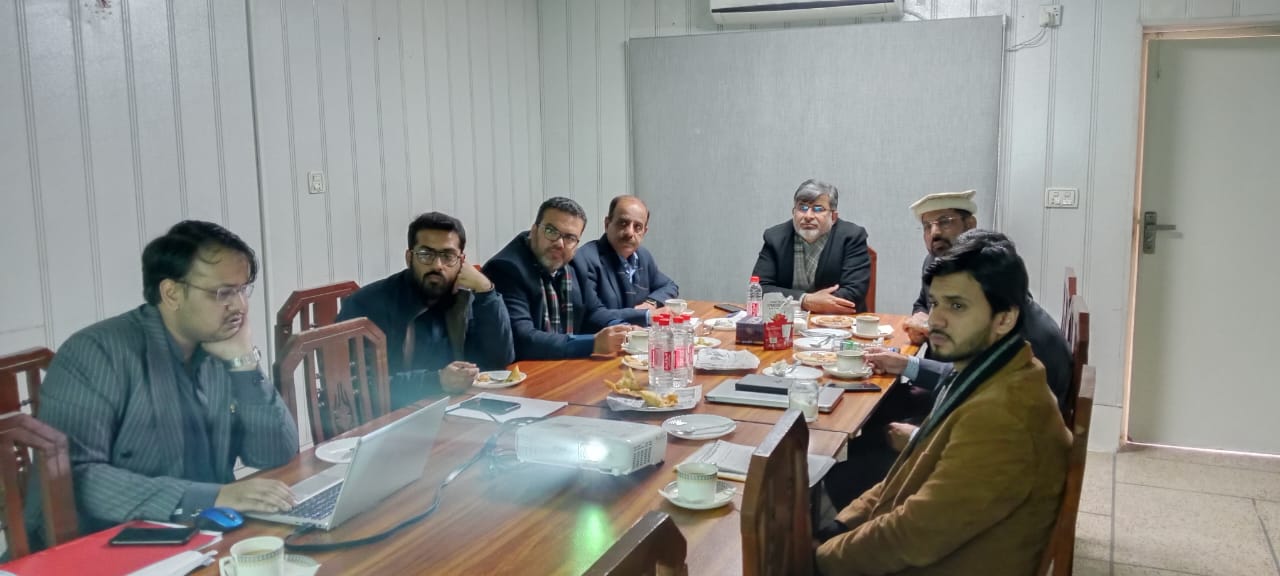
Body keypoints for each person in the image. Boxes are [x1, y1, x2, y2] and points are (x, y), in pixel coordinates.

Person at [815, 230, 1071, 575]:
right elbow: (906, 473)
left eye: (957, 306)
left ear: (1004, 318)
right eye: (935, 303)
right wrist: (840, 528)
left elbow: (914, 535)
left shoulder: (1003, 416)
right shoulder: (991, 369)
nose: (935, 320)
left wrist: (818, 559)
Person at [28, 221, 299, 541]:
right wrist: (210, 497)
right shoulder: (96, 353)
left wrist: (244, 364)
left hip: (203, 534)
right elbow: (73, 478)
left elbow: (276, 454)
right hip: (103, 543)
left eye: (243, 290)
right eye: (224, 293)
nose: (240, 305)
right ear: (171, 293)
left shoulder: (220, 348)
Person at [336, 212, 514, 406]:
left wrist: (486, 292)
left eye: (448, 256)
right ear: (409, 258)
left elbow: (498, 362)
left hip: (456, 407)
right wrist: (436, 381)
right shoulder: (368, 305)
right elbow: (360, 386)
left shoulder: (464, 297)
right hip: (396, 415)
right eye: (426, 255)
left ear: (461, 262)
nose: (437, 265)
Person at [484, 197, 632, 360]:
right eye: (551, 231)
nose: (560, 243)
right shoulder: (506, 269)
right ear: (534, 230)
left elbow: (593, 311)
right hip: (523, 370)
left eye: (570, 238)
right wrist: (593, 344)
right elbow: (523, 339)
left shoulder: (574, 263)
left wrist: (621, 329)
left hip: (562, 365)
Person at [750, 179, 871, 314]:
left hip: (838, 320)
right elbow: (759, 289)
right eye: (802, 208)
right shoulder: (775, 238)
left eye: (818, 209)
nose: (808, 216)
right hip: (786, 319)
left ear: (833, 217)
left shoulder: (852, 237)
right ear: (793, 212)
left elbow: (854, 292)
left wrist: (812, 304)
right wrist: (804, 300)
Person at [572, 195, 679, 325]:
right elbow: (593, 316)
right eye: (623, 223)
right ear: (607, 224)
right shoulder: (584, 260)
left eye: (637, 227)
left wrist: (650, 303)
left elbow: (669, 286)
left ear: (644, 232)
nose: (630, 233)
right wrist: (645, 315)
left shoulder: (643, 256)